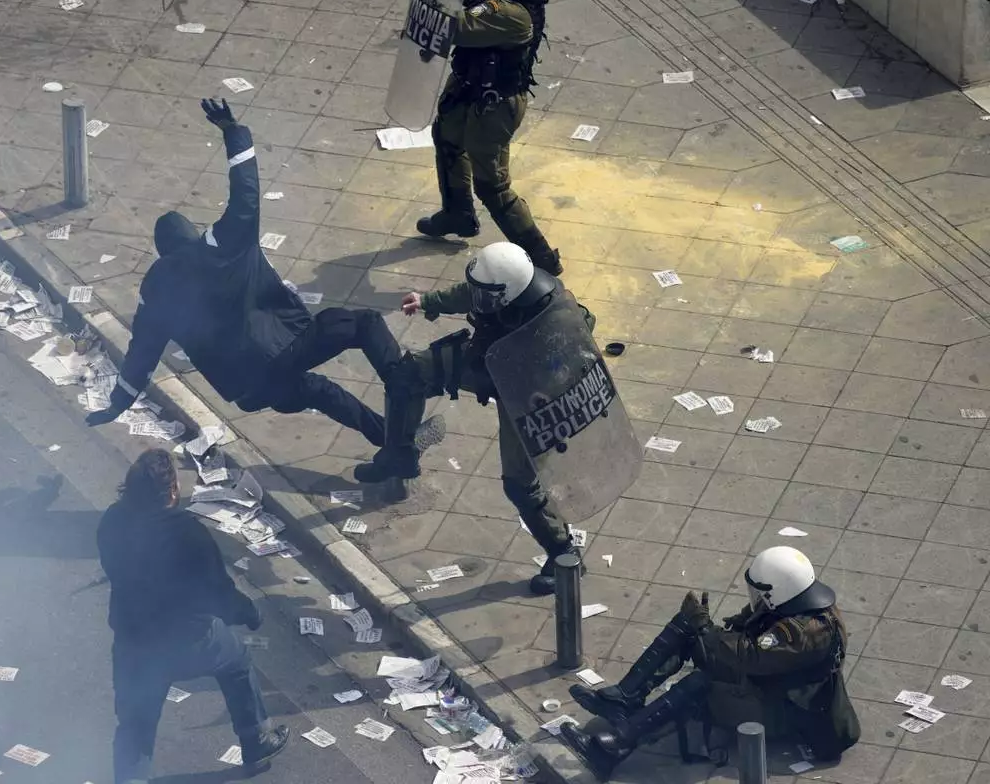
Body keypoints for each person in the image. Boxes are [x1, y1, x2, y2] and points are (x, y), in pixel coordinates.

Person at [85, 100, 445, 460]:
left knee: (320, 392)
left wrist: (117, 403)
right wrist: (233, 132)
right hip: (281, 350)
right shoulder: (219, 245)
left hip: (250, 389)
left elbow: (142, 354)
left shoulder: (156, 291)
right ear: (191, 236)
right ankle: (404, 386)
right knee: (364, 324)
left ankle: (396, 444)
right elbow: (246, 194)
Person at [353, 241, 588, 593]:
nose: (478, 298)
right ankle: (399, 456)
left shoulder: (554, 314)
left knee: (519, 483)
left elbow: (576, 346)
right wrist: (429, 301)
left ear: (510, 293)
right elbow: (473, 294)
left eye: (485, 293)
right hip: (489, 361)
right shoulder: (501, 289)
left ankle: (563, 552)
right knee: (407, 375)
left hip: (530, 395)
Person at [562, 547, 860, 781]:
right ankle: (625, 698)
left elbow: (750, 656)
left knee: (700, 683)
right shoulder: (792, 603)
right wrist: (704, 628)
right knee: (687, 626)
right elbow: (745, 631)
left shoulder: (806, 631)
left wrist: (707, 629)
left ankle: (616, 745)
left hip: (779, 709)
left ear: (776, 592)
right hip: (766, 682)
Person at [98, 449, 289, 783]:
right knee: (237, 660)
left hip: (133, 642)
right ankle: (256, 739)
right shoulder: (188, 533)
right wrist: (249, 613)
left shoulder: (112, 520)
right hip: (188, 641)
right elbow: (218, 592)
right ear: (172, 491)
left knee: (135, 723)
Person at [415, 0, 563, 276]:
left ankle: (543, 259)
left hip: (494, 106)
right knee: (447, 140)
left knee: (492, 185)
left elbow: (454, 28)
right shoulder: (503, 0)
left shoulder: (510, 12)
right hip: (468, 86)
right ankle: (457, 214)